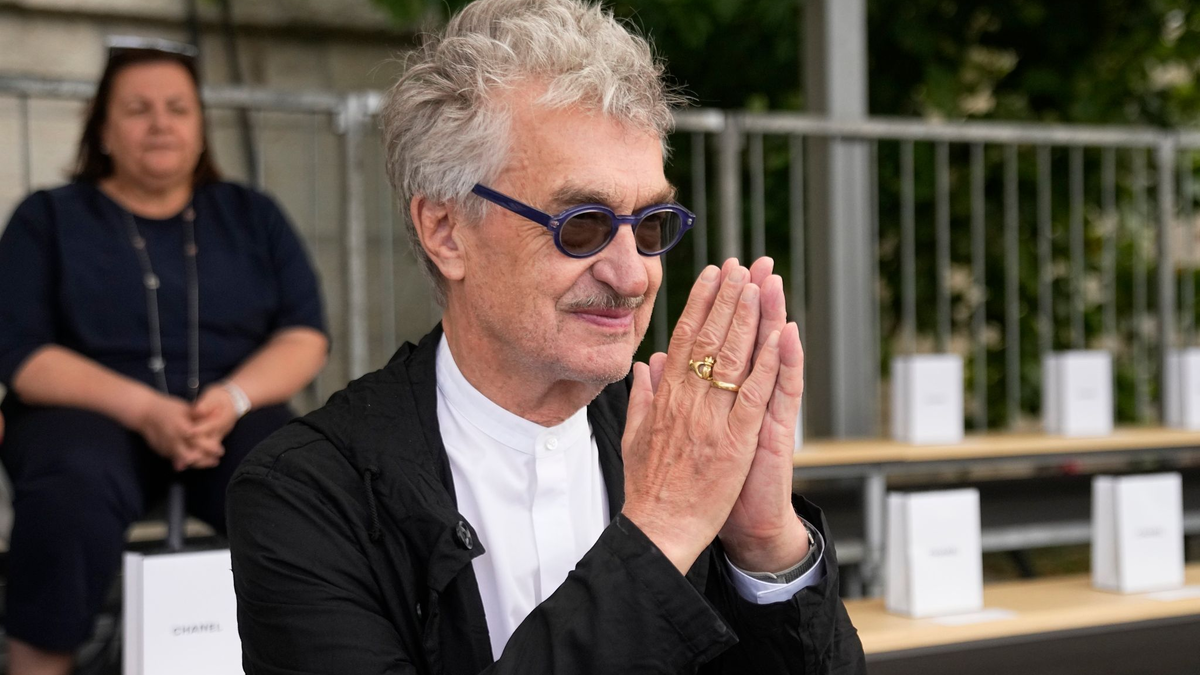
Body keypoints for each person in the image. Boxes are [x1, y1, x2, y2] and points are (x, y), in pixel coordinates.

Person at [227, 0, 865, 672]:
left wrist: (765, 545)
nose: (631, 274)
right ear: (446, 231)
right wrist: (660, 534)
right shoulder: (306, 493)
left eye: (649, 225)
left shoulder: (681, 447)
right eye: (582, 224)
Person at [0, 37, 329, 675]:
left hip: (229, 414)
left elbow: (304, 334)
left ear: (201, 126)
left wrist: (231, 399)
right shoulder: (48, 219)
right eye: (137, 109)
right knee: (67, 494)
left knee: (300, 483)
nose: (160, 124)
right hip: (88, 415)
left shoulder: (251, 215)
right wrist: (146, 409)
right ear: (101, 128)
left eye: (178, 108)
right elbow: (20, 352)